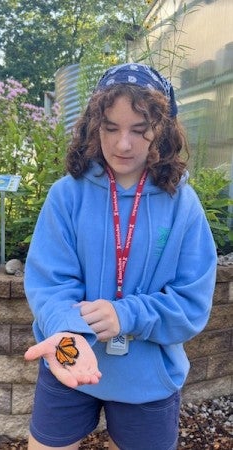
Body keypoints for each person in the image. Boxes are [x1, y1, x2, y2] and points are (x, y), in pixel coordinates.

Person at [24, 63, 217, 450]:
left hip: (147, 376)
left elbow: (192, 301)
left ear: (162, 129)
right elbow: (50, 281)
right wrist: (66, 330)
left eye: (139, 129)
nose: (123, 144)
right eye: (111, 128)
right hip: (69, 356)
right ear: (94, 126)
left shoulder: (183, 204)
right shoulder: (67, 194)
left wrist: (126, 314)